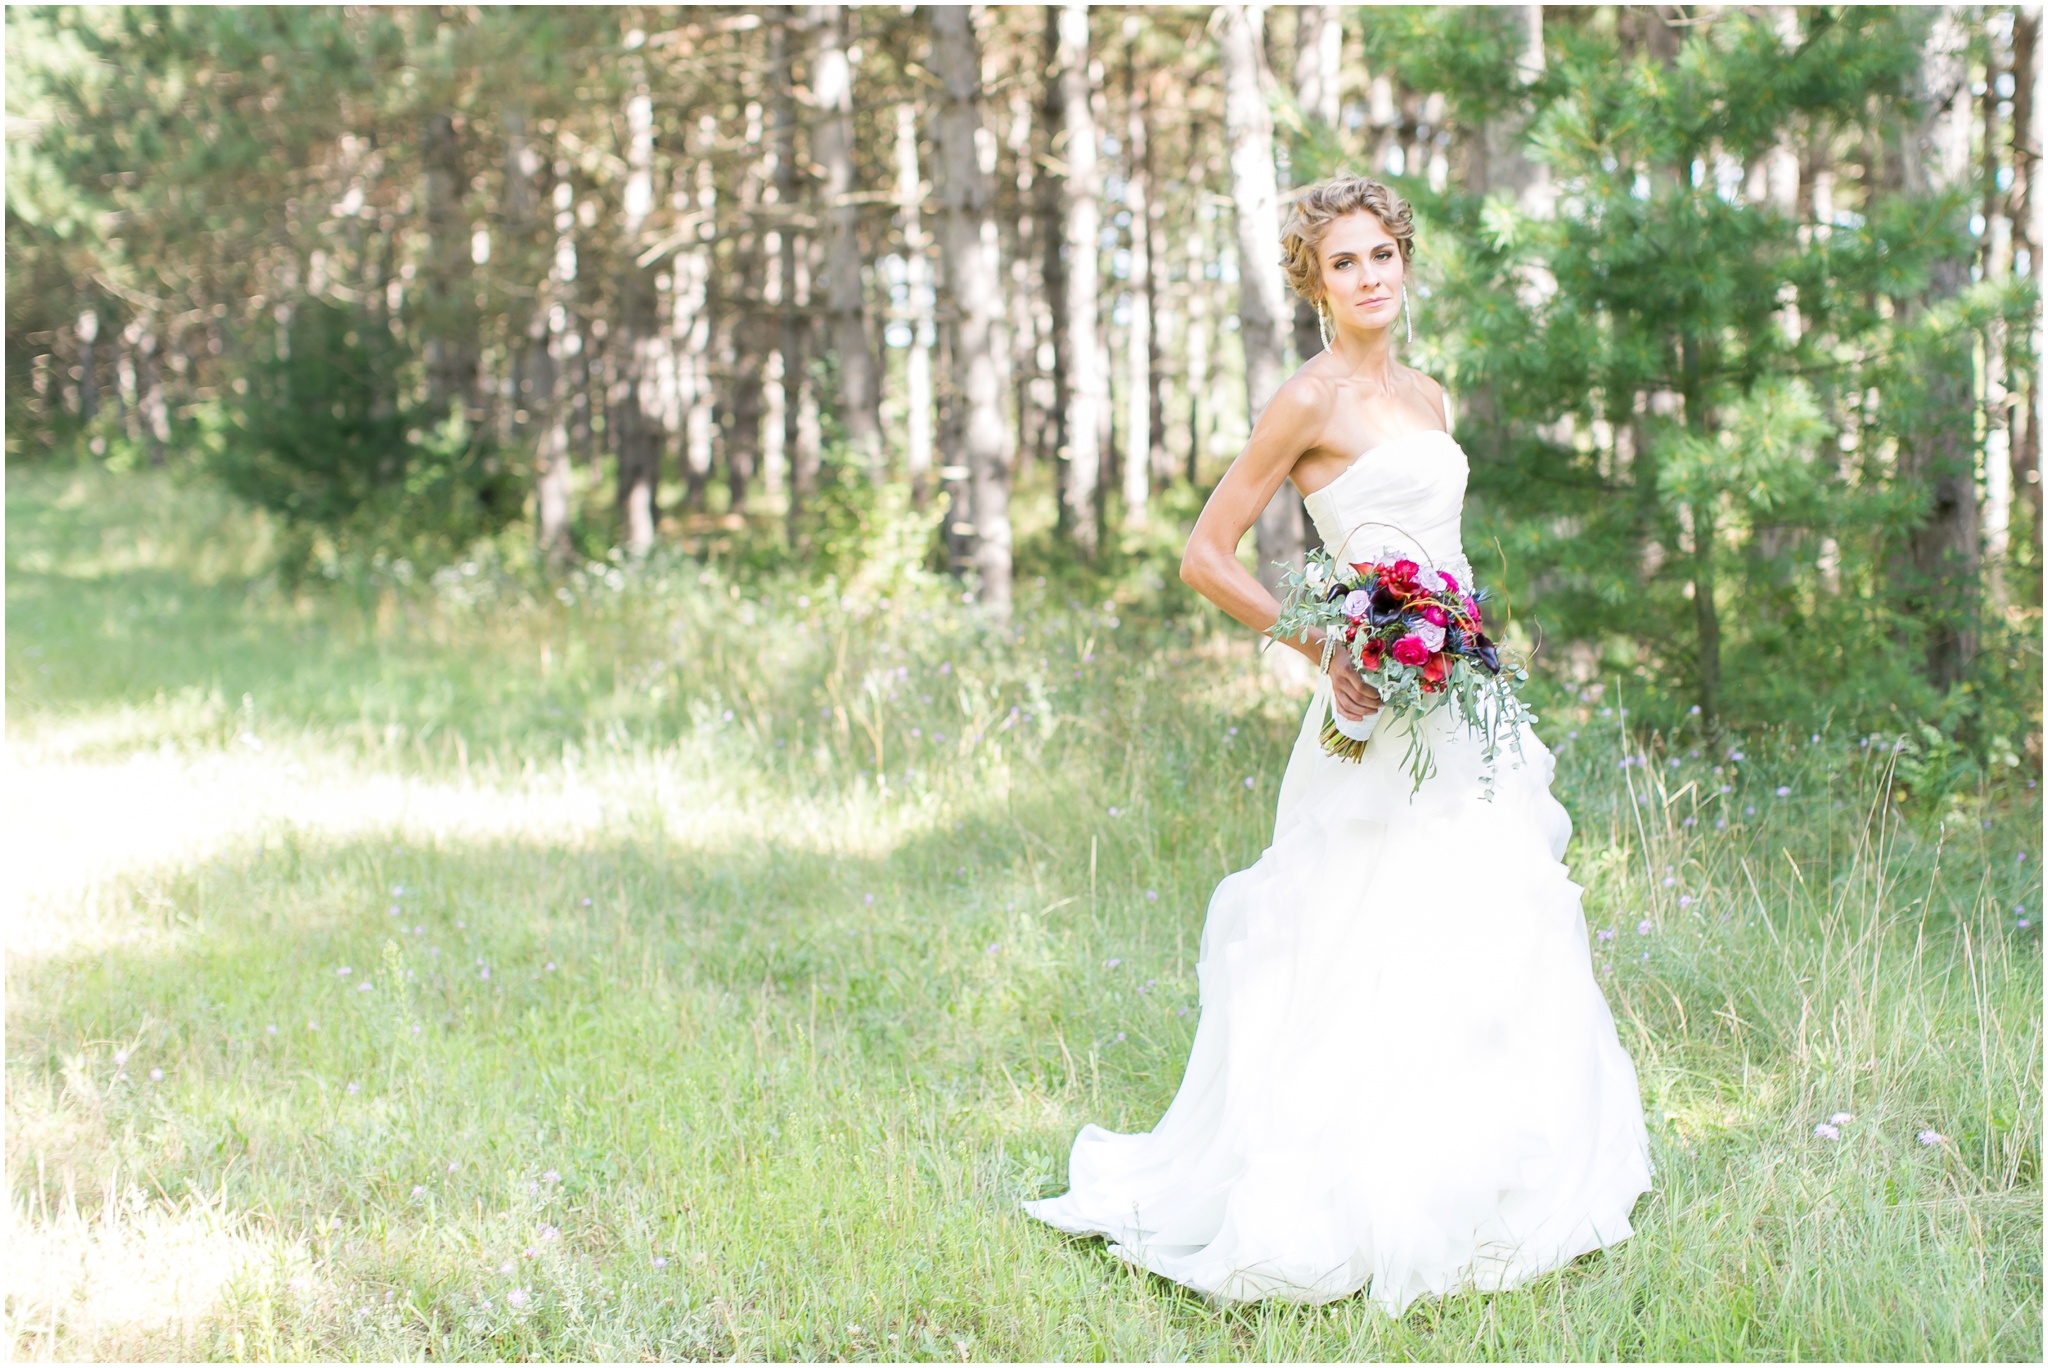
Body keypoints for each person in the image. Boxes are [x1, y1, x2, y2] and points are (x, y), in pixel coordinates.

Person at [1022, 176, 1655, 1315]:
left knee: (1488, 918)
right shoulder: (1305, 401)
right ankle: (1348, 1192)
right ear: (1313, 284)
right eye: (1344, 263)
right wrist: (1321, 648)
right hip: (1369, 703)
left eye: (1382, 256)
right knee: (1359, 931)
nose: (1369, 277)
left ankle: (1492, 1178)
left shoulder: (1426, 392)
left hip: (1461, 703)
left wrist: (1459, 640)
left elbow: (1436, 548)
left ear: (1402, 262)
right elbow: (1206, 554)